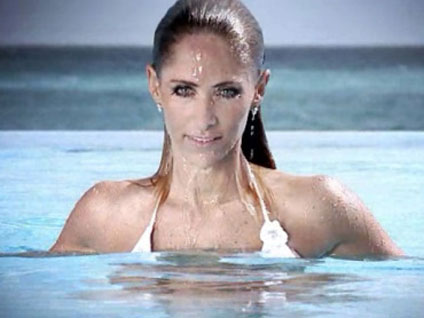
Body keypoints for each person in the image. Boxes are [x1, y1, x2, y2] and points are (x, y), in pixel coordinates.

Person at [50, 0, 403, 258]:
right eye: (184, 90)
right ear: (154, 85)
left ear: (258, 89)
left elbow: (405, 286)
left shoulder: (317, 208)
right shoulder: (106, 217)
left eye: (227, 91)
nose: (205, 117)